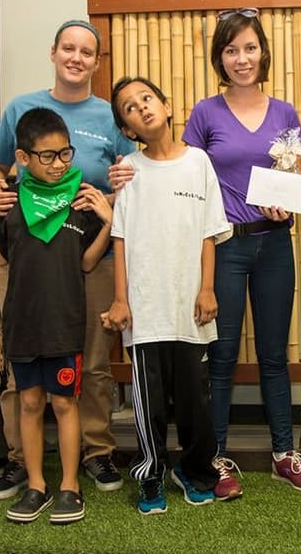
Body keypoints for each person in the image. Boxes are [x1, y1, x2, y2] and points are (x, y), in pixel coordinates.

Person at [110, 7, 301, 498]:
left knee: (273, 354)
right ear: (219, 59)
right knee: (220, 356)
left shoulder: (286, 112)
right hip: (224, 248)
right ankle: (216, 456)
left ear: (263, 52)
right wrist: (120, 178)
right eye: (231, 50)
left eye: (249, 48)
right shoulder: (205, 112)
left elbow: (290, 177)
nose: (241, 58)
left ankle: (284, 452)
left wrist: (284, 204)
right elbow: (180, 175)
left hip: (274, 245)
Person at [0, 20, 135, 501]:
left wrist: (107, 201)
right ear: (53, 53)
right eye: (68, 48)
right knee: (18, 362)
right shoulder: (22, 107)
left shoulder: (111, 116)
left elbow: (132, 180)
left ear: (96, 61)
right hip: (24, 253)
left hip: (86, 251)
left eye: (86, 52)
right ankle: (17, 461)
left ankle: (95, 451)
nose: (76, 58)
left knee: (90, 361)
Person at [0, 108, 113, 524]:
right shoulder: (12, 206)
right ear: (22, 157)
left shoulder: (79, 202)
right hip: (22, 325)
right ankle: (36, 485)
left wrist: (107, 220)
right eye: (47, 156)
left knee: (65, 404)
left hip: (65, 325)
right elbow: (0, 257)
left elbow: (88, 264)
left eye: (64, 154)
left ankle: (70, 486)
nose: (58, 164)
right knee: (30, 403)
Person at [103, 76, 230, 512]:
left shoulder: (199, 163)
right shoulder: (128, 173)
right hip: (145, 311)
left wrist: (207, 288)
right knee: (149, 404)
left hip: (190, 307)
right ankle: (151, 476)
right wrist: (121, 300)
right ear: (127, 128)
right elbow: (119, 239)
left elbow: (210, 234)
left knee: (196, 399)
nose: (141, 108)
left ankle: (195, 471)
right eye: (129, 108)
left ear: (167, 105)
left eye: (147, 99)